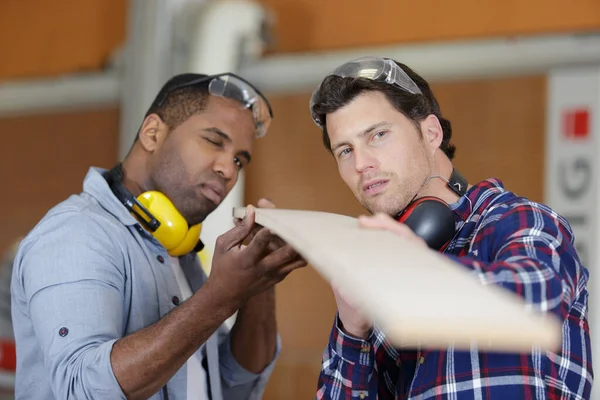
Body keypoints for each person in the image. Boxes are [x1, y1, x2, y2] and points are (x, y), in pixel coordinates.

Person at [308, 57, 592, 399]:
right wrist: (352, 331)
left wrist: (422, 270)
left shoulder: (517, 219)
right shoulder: (384, 266)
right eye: (345, 150)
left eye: (378, 135)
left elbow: (538, 296)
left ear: (431, 132)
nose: (361, 163)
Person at [10, 72, 307, 400]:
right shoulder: (75, 235)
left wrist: (259, 283)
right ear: (152, 133)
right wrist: (219, 297)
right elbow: (83, 389)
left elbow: (237, 384)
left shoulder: (180, 251)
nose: (229, 169)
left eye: (239, 159)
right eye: (213, 140)